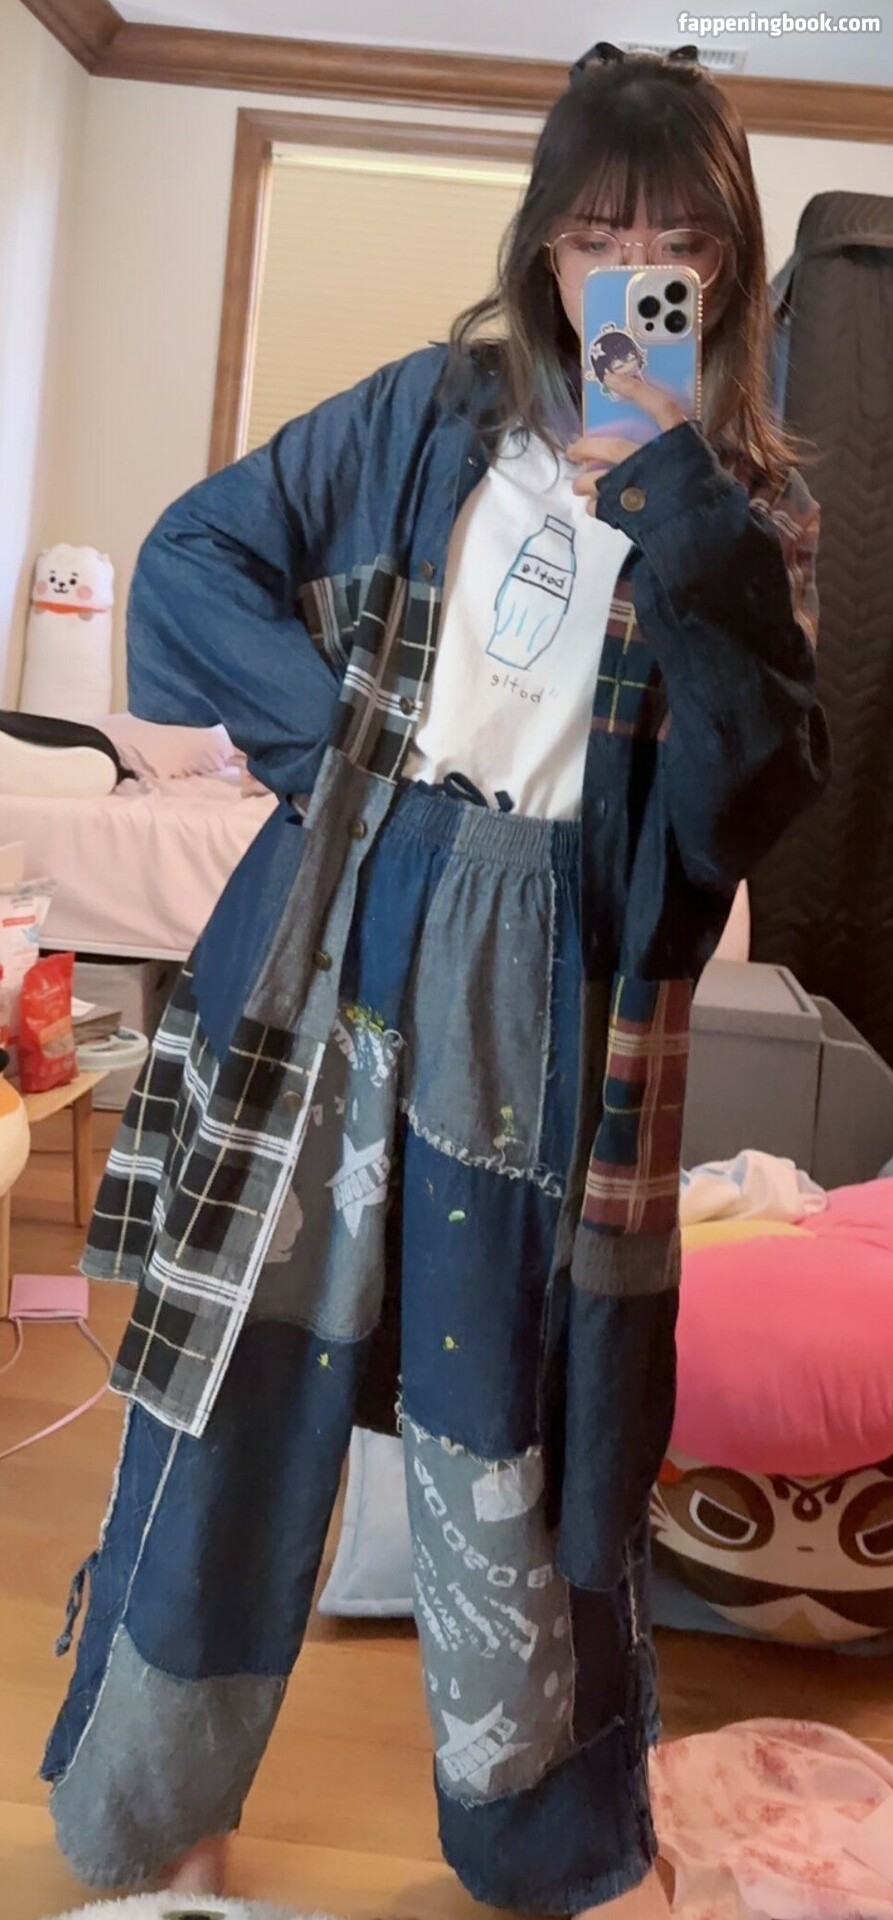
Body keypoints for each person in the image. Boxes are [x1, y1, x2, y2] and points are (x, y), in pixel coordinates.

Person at [40, 40, 830, 1920]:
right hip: (330, 946)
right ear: (542, 245)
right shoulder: (427, 414)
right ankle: (157, 1831)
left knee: (513, 1444)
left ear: (724, 267)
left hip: (551, 1004)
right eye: (597, 234)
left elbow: (752, 796)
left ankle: (548, 1849)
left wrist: (670, 503)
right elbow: (194, 556)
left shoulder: (740, 506)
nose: (632, 275)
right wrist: (342, 750)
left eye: (675, 241)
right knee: (234, 1397)